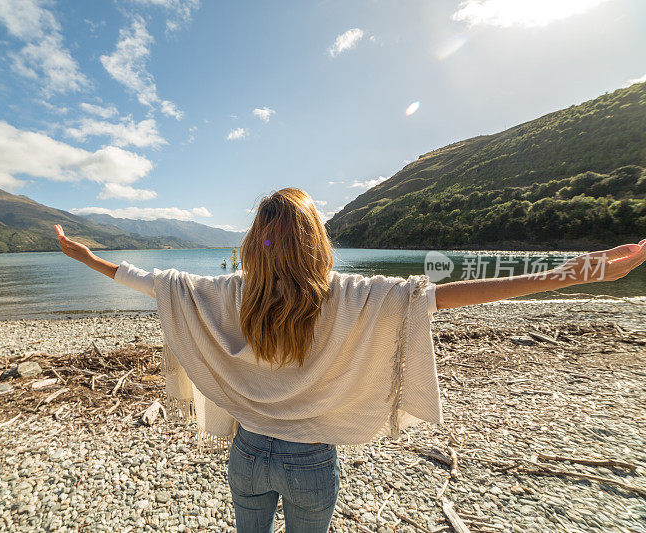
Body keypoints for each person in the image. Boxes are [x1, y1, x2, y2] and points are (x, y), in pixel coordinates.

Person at [54, 188, 645, 533]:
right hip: (312, 459)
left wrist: (86, 259)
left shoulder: (231, 293)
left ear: (254, 240)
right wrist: (575, 272)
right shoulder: (352, 296)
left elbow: (158, 283)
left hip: (247, 454)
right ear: (315, 240)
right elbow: (438, 296)